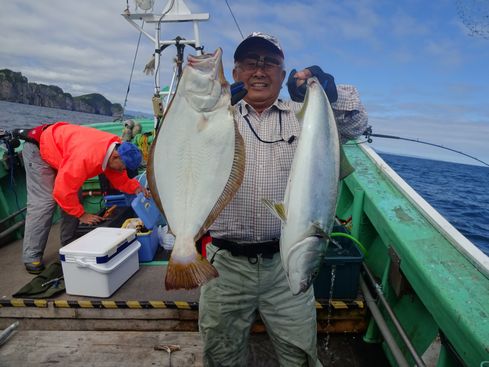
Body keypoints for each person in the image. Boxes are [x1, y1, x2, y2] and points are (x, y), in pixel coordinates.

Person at [198, 32, 368, 366]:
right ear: (235, 73)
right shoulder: (212, 117)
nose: (259, 71)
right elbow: (172, 144)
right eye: (250, 63)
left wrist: (325, 91)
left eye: (270, 63)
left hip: (285, 264)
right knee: (220, 356)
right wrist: (206, 107)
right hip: (225, 265)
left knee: (300, 355)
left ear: (283, 72)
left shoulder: (302, 115)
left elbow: (357, 125)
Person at [20, 122, 148, 274]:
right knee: (44, 202)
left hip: (63, 151)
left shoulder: (115, 149)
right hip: (39, 148)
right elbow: (62, 191)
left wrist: (136, 187)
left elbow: (120, 178)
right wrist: (82, 214)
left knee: (74, 195)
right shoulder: (86, 158)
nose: (124, 170)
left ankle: (68, 243)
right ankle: (31, 255)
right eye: (124, 167)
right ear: (115, 156)